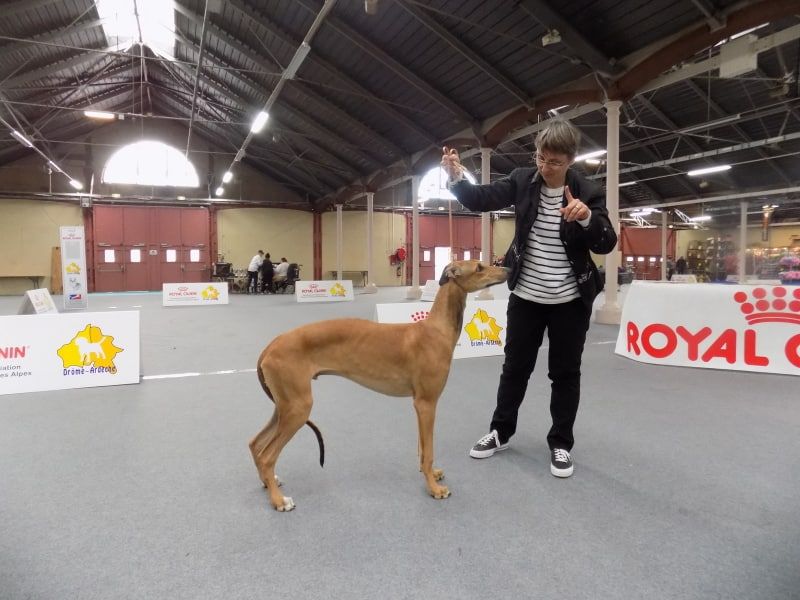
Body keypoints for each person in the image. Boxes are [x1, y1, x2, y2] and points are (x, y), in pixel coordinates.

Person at [442, 119, 617, 478]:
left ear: (569, 160)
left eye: (553, 162)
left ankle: (561, 444)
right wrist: (459, 177)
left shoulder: (587, 190)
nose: (544, 167)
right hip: (526, 295)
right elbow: (481, 198)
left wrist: (585, 218)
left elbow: (606, 242)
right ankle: (500, 431)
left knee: (565, 373)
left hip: (570, 299)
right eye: (540, 157)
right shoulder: (523, 179)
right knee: (514, 368)